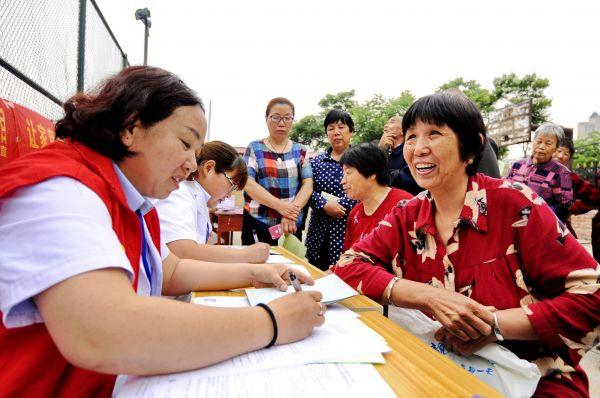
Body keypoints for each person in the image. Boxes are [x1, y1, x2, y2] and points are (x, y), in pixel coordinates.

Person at [0, 66, 326, 396]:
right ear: (131, 127)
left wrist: (256, 274)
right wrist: (271, 322)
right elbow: (105, 330)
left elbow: (170, 270)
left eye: (196, 153)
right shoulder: (61, 189)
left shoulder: (133, 200)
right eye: (185, 143)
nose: (191, 164)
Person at [332, 91, 599, 396]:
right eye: (411, 136)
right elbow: (346, 266)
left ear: (470, 147)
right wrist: (427, 297)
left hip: (531, 379)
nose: (419, 148)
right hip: (435, 369)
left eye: (434, 133)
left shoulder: (516, 205)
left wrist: (494, 325)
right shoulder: (406, 215)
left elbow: (592, 297)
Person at [155, 140, 270, 263]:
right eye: (231, 185)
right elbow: (181, 251)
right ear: (209, 168)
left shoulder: (199, 199)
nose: (230, 194)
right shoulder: (179, 194)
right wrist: (246, 255)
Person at [242, 97, 313, 245]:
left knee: (288, 267)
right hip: (259, 222)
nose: (281, 123)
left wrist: (290, 214)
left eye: (287, 118)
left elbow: (307, 184)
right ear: (266, 119)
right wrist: (281, 207)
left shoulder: (301, 150)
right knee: (255, 267)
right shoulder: (254, 148)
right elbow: (248, 183)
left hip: (291, 226)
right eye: (275, 117)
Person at [305, 110, 358, 270]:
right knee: (317, 276)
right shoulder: (316, 162)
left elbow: (367, 188)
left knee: (347, 275)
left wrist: (341, 205)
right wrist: (324, 205)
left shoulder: (361, 160)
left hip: (348, 229)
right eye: (331, 128)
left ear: (351, 131)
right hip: (320, 231)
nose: (336, 132)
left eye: (341, 127)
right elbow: (307, 189)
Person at [340, 143, 412, 251]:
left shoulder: (406, 206)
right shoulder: (355, 213)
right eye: (343, 174)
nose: (343, 181)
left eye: (348, 173)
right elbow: (348, 258)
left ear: (371, 172)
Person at [507, 123, 574, 221]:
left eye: (548, 143)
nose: (541, 146)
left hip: (539, 225)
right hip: (511, 220)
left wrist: (536, 213)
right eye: (538, 141)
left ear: (556, 148)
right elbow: (506, 190)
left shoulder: (561, 173)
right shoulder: (517, 165)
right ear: (533, 142)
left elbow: (564, 206)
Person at [553, 138, 600, 261]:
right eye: (559, 151)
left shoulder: (570, 177)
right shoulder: (530, 171)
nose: (561, 156)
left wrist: (573, 208)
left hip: (560, 228)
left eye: (566, 154)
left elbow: (595, 196)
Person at [379, 115, 423, 195]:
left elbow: (406, 178)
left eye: (392, 122)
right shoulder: (386, 152)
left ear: (404, 130)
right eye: (386, 123)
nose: (386, 125)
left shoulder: (413, 150)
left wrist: (380, 175)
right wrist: (380, 149)